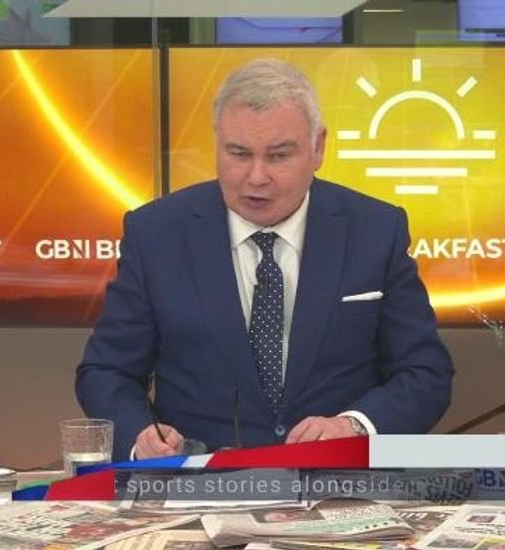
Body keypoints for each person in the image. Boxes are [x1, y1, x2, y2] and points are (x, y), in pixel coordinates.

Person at [76, 58, 453, 460]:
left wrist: (354, 427)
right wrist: (142, 437)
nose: (256, 177)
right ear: (217, 143)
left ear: (318, 147)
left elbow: (425, 373)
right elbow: (106, 371)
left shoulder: (375, 230)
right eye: (238, 153)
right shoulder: (156, 233)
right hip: (199, 481)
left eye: (278, 156)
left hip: (339, 478)